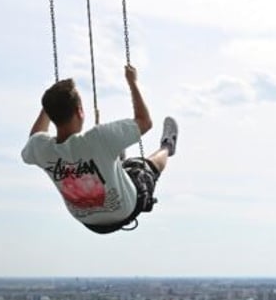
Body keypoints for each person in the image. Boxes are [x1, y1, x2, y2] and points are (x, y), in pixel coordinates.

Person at [22, 64, 177, 233]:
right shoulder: (98, 138)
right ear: (80, 111)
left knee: (109, 158)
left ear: (50, 115)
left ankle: (117, 160)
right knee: (142, 166)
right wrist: (132, 82)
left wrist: (50, 105)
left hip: (88, 220)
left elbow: (35, 137)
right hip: (125, 210)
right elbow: (145, 122)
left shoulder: (41, 149)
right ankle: (168, 146)